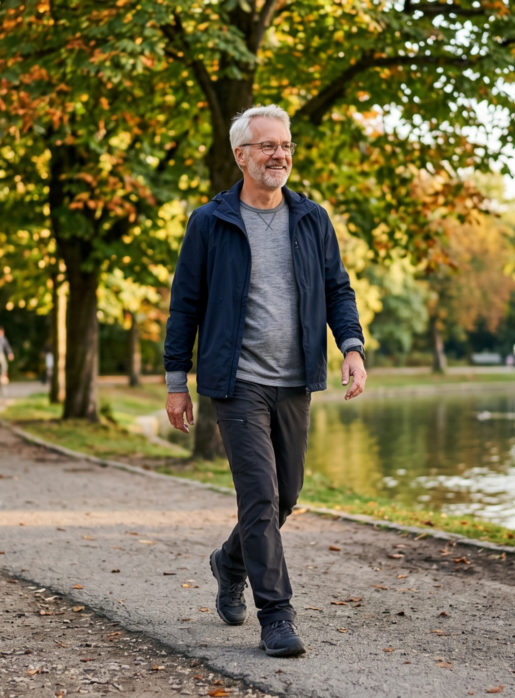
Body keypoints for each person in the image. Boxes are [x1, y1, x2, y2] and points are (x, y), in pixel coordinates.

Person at [164, 105, 366, 659]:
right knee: (258, 496)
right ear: (241, 155)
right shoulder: (210, 222)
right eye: (267, 146)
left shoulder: (311, 218)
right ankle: (276, 615)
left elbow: (338, 289)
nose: (280, 155)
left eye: (286, 146)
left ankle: (228, 563)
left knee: (286, 496)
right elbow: (185, 306)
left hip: (294, 378)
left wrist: (351, 346)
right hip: (236, 382)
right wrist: (175, 379)